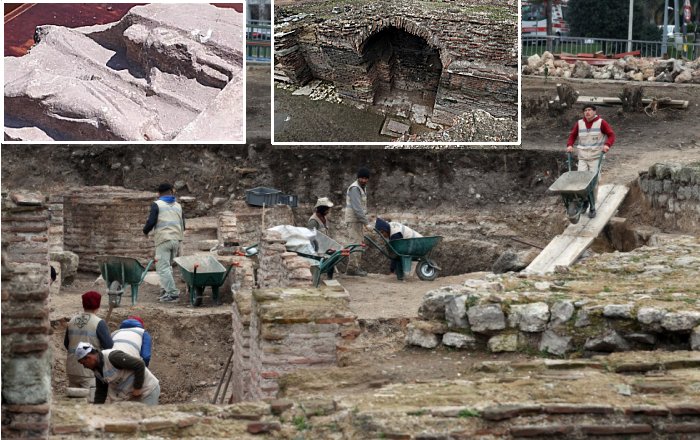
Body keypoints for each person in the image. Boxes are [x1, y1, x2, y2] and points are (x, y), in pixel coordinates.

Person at [566, 104, 616, 218]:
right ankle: (584, 202)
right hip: (583, 157)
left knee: (593, 183)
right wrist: (569, 145)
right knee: (582, 182)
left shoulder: (601, 123)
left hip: (595, 157)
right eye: (585, 110)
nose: (587, 112)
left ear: (594, 112)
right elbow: (572, 135)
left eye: (589, 110)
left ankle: (592, 206)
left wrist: (607, 145)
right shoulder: (579, 123)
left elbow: (611, 135)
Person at [75, 342, 160, 405]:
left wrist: (137, 388)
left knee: (147, 420)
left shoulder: (112, 357)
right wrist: (96, 410)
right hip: (130, 395)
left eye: (84, 363)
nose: (84, 367)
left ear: (89, 358)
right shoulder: (97, 370)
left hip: (147, 389)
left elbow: (139, 364)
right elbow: (101, 392)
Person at [143, 182, 185, 302]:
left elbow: (151, 222)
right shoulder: (178, 205)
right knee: (168, 266)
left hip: (163, 240)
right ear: (171, 191)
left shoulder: (157, 204)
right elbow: (183, 224)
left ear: (159, 193)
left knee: (162, 267)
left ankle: (172, 294)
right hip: (176, 239)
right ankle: (166, 290)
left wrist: (145, 231)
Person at [64, 291, 113, 391]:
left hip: (72, 369)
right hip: (90, 371)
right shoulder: (99, 322)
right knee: (90, 403)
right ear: (98, 305)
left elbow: (66, 344)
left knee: (74, 403)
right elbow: (109, 346)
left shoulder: (72, 321)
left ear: (83, 304)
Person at [344, 167, 372, 276]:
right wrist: (366, 223)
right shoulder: (355, 189)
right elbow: (357, 208)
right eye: (362, 178)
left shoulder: (362, 188)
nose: (364, 180)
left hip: (358, 221)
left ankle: (355, 267)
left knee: (359, 244)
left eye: (366, 178)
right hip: (354, 220)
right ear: (358, 178)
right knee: (355, 244)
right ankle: (352, 269)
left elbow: (361, 207)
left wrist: (364, 221)